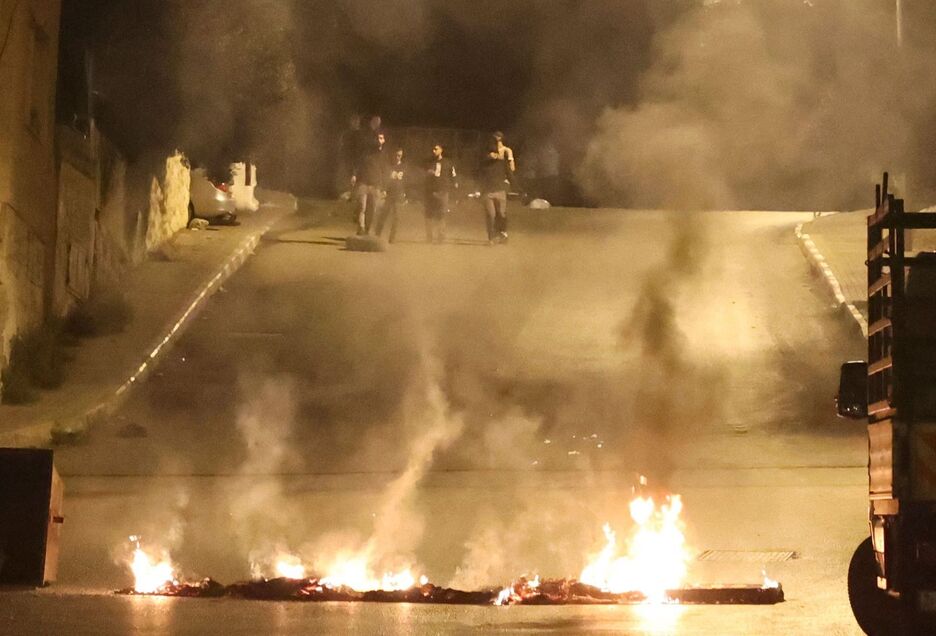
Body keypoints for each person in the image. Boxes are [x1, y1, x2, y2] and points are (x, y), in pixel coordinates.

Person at [478, 131, 516, 245]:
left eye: (498, 139)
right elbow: (480, 163)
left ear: (501, 139)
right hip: (490, 184)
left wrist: (506, 174)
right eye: (495, 139)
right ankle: (494, 234)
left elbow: (512, 168)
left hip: (502, 181)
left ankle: (503, 232)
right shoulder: (488, 150)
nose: (496, 141)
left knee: (501, 212)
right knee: (492, 213)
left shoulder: (507, 150)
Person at [351, 130, 387, 234]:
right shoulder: (365, 151)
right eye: (377, 138)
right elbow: (358, 163)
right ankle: (361, 228)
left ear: (384, 140)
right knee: (362, 207)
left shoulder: (383, 154)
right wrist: (354, 175)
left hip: (376, 184)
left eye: (381, 138)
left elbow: (385, 170)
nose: (379, 141)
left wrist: (384, 187)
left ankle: (368, 229)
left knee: (373, 210)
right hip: (363, 182)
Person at [424, 143, 457, 244]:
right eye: (433, 149)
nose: (434, 151)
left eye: (436, 149)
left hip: (443, 191)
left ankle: (441, 237)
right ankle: (429, 237)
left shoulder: (448, 163)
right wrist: (428, 173)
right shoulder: (429, 162)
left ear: (441, 150)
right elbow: (423, 175)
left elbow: (453, 175)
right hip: (431, 191)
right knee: (429, 215)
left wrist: (455, 184)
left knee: (442, 214)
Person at [374, 147, 406, 243]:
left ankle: (392, 238)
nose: (397, 157)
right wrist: (383, 190)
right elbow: (384, 179)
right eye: (396, 155)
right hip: (388, 194)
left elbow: (406, 181)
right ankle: (377, 234)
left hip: (398, 194)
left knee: (396, 217)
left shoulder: (404, 167)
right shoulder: (389, 167)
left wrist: (405, 193)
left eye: (399, 155)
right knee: (383, 215)